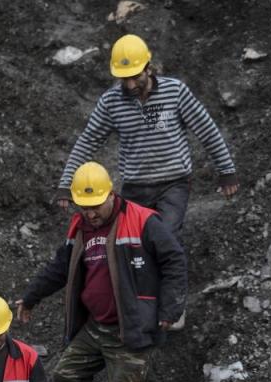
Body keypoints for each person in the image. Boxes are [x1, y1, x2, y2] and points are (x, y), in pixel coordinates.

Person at [17, 162, 186, 382]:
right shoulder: (79, 227)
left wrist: (169, 309)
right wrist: (31, 298)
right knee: (66, 375)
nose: (91, 214)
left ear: (111, 194)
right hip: (96, 327)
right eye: (85, 207)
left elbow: (174, 260)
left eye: (96, 206)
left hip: (131, 328)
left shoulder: (142, 221)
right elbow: (59, 268)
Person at [55, 33, 239, 248]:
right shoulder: (111, 102)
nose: (131, 85)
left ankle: (172, 281)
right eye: (125, 79)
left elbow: (207, 130)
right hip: (136, 187)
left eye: (136, 77)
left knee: (165, 237)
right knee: (133, 244)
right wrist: (66, 184)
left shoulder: (175, 92)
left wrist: (226, 172)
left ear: (148, 68)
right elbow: (88, 141)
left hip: (173, 183)